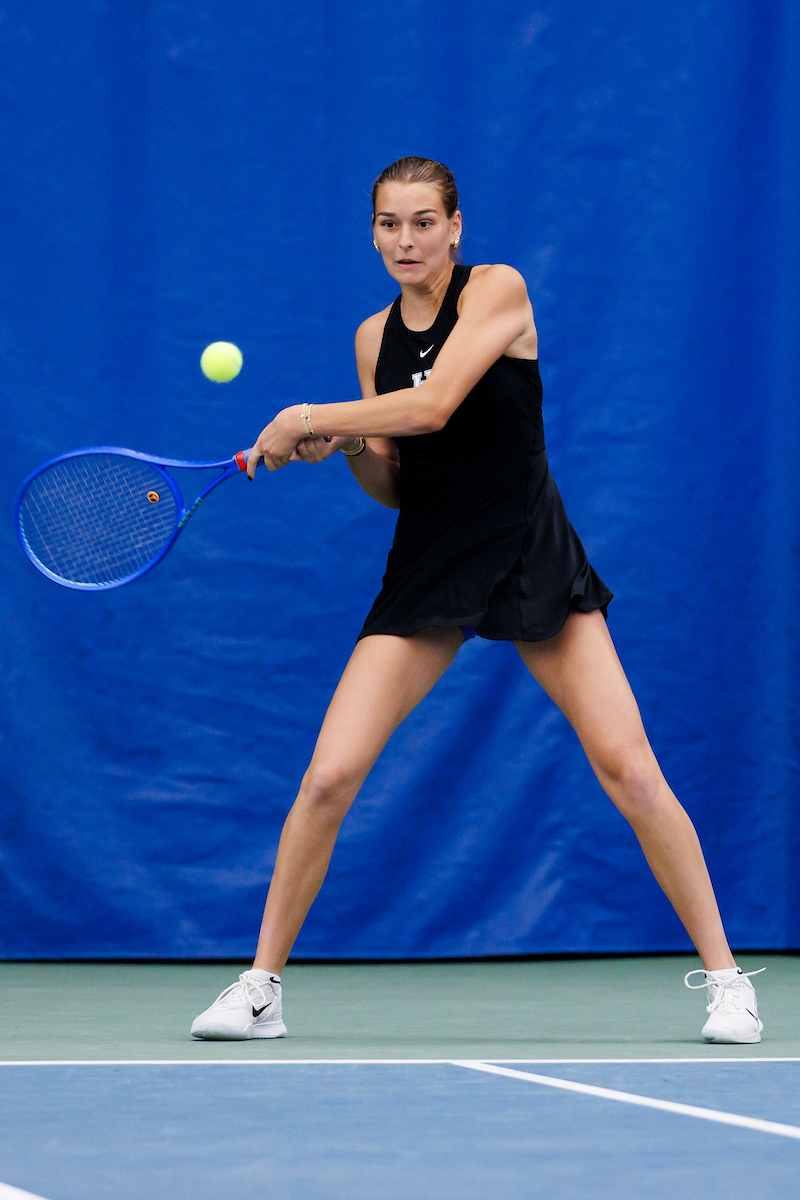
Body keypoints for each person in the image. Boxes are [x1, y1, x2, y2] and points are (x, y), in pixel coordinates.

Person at [191, 156, 762, 1045]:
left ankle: (728, 983)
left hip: (529, 547)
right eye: (389, 224)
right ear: (372, 232)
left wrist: (308, 418)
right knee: (330, 775)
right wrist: (348, 446)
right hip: (432, 558)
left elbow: (436, 406)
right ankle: (261, 988)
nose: (406, 240)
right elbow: (397, 482)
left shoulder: (499, 290)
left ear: (455, 227)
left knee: (629, 767)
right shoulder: (372, 338)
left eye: (424, 222)